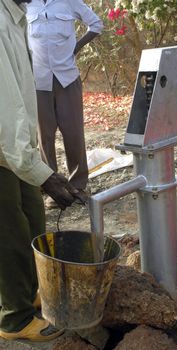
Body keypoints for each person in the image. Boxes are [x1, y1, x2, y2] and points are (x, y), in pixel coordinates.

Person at [0, 0, 79, 341]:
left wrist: (37, 167)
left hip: (15, 148)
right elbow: (7, 108)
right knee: (10, 233)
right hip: (5, 147)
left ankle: (27, 293)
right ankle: (14, 319)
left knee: (33, 219)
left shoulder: (14, 18)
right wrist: (43, 174)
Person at [26, 0, 104, 208]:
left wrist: (76, 47)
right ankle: (52, 189)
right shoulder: (26, 5)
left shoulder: (68, 2)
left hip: (67, 77)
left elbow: (96, 24)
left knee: (74, 133)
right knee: (45, 135)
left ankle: (77, 186)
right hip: (38, 80)